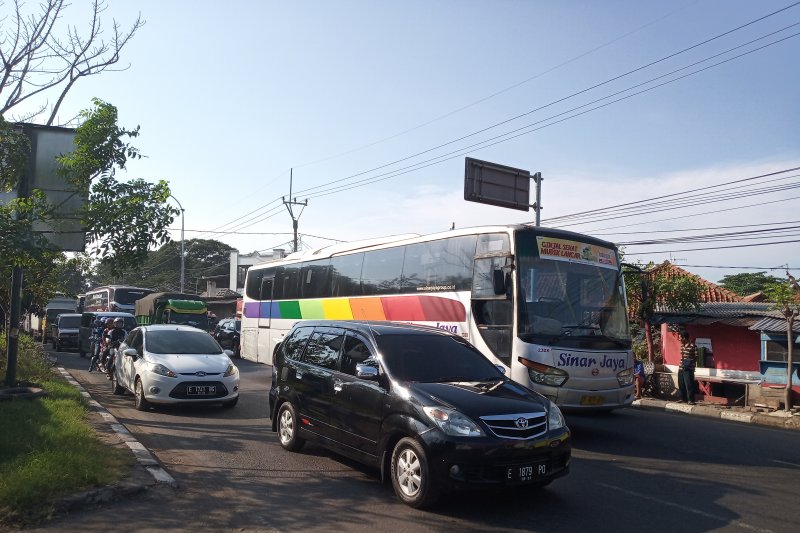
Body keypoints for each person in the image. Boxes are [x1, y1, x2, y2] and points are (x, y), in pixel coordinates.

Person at [678, 331, 697, 405]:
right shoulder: (682, 346)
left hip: (688, 368)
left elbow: (696, 357)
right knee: (681, 384)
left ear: (684, 338)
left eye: (680, 337)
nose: (679, 339)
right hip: (681, 367)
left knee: (689, 384)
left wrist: (689, 363)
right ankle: (683, 399)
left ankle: (691, 400)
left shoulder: (693, 346)